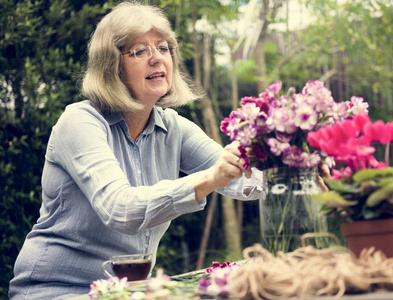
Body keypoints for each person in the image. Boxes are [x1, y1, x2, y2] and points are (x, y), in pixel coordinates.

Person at [8, 2, 262, 299]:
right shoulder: (79, 122)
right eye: (140, 51)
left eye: (163, 48)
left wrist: (293, 162)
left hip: (126, 292)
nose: (157, 59)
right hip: (57, 291)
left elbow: (244, 181)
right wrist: (210, 179)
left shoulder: (173, 128)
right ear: (112, 66)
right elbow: (121, 210)